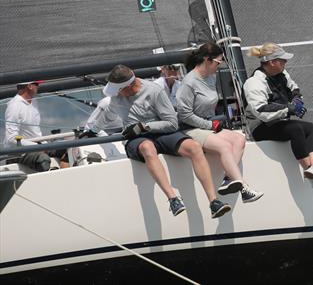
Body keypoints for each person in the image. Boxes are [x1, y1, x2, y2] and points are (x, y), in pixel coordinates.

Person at [86, 64, 232, 219]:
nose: (116, 94)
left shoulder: (154, 91)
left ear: (129, 86)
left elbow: (172, 123)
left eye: (118, 90)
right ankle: (173, 199)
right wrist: (91, 132)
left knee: (194, 147)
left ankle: (214, 202)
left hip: (160, 132)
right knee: (148, 148)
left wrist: (145, 127)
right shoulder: (115, 98)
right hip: (136, 139)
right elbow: (106, 116)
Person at [177, 43, 263, 203]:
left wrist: (211, 125)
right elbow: (184, 114)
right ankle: (244, 188)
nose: (219, 65)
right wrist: (210, 125)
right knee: (224, 146)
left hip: (209, 125)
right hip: (190, 129)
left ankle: (229, 178)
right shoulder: (188, 83)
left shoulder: (211, 77)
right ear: (206, 60)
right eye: (218, 62)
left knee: (239, 139)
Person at [243, 42, 313, 184]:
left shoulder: (282, 74)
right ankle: (308, 168)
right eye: (282, 60)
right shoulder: (254, 82)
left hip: (280, 122)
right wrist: (288, 109)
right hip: (261, 127)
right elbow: (261, 111)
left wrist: (297, 102)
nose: (286, 62)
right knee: (296, 129)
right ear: (272, 62)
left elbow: (294, 90)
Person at [3, 81, 56, 172]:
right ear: (30, 86)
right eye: (37, 85)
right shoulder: (14, 106)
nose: (38, 87)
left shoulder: (34, 102)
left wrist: (44, 145)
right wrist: (36, 146)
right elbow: (11, 138)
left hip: (36, 147)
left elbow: (36, 133)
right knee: (43, 160)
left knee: (64, 149)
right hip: (17, 153)